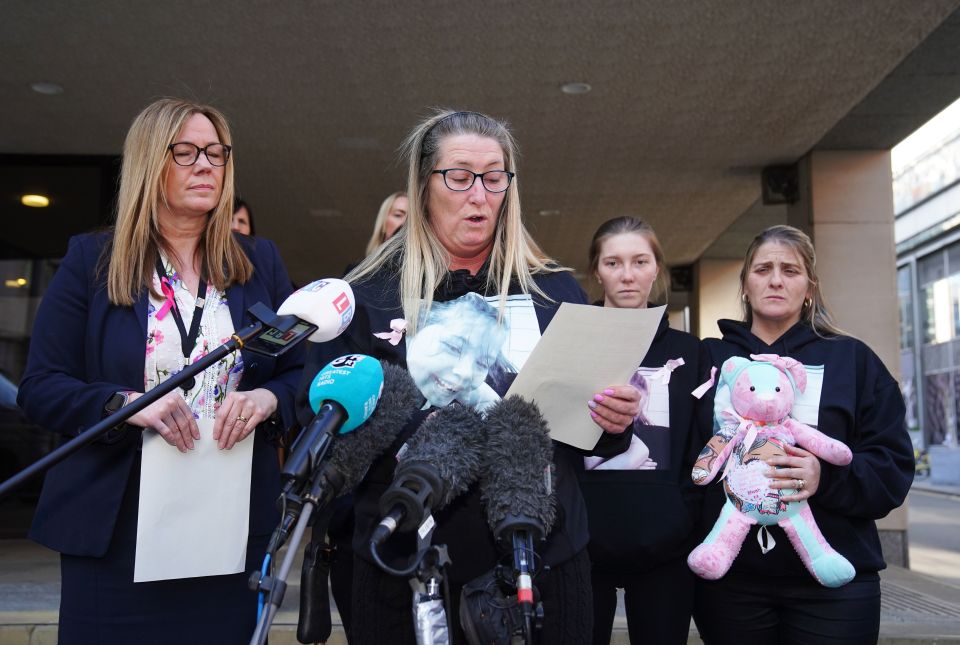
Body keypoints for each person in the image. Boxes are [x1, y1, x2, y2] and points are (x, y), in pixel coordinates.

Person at [296, 109, 639, 644]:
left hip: (541, 564)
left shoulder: (555, 292)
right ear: (424, 184)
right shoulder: (366, 294)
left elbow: (587, 436)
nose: (479, 194)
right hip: (402, 566)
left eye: (494, 177)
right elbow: (326, 426)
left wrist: (615, 420)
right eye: (459, 176)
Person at [17, 98, 304, 644]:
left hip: (228, 527)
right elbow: (41, 388)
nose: (206, 166)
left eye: (217, 154)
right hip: (115, 530)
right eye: (187, 152)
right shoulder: (92, 261)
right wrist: (126, 405)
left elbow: (297, 372)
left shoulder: (258, 262)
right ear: (152, 162)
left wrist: (268, 401)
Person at [692, 224, 915, 644]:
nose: (776, 279)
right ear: (745, 283)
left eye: (790, 270)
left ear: (809, 285)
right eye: (763, 269)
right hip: (731, 584)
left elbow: (893, 468)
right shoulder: (712, 359)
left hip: (835, 586)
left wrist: (824, 479)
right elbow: (683, 458)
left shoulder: (854, 361)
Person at [576, 216, 704, 645]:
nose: (627, 275)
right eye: (613, 263)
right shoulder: (571, 339)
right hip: (582, 545)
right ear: (597, 271)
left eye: (639, 261)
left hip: (665, 547)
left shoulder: (690, 352)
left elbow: (699, 447)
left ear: (657, 268)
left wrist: (681, 517)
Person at [364, 191, 408, 255]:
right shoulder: (361, 265)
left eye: (411, 219)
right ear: (383, 222)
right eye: (398, 215)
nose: (406, 222)